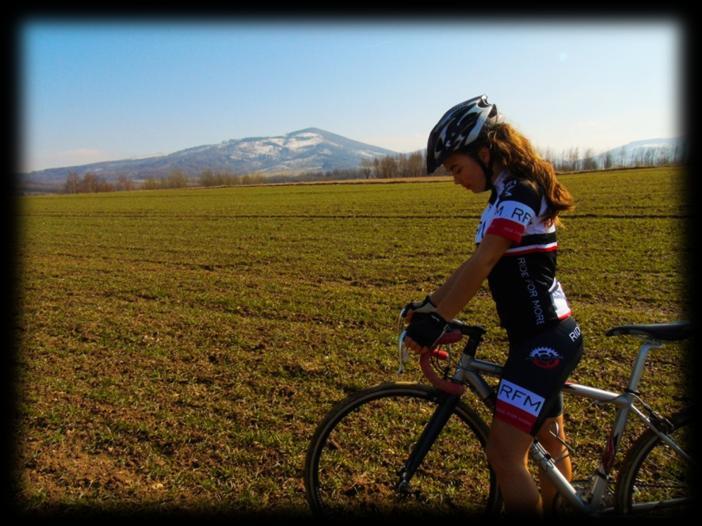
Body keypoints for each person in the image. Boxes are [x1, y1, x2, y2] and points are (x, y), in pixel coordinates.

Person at [402, 95, 584, 517]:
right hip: (540, 338)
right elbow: (474, 262)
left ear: (485, 153)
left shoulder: (520, 193)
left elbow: (484, 263)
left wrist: (438, 320)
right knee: (550, 447)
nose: (455, 179)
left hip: (545, 343)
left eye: (455, 167)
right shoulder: (502, 197)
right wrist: (430, 307)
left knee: (504, 456)